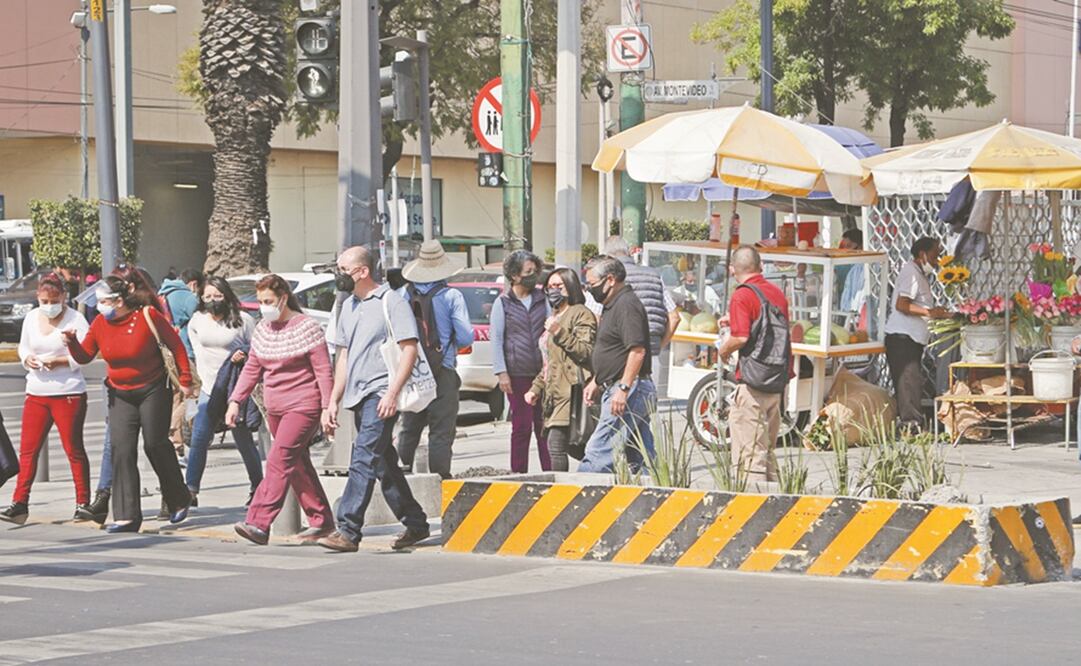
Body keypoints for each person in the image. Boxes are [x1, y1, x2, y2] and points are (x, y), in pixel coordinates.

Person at [317, 246, 431, 553]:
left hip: (380, 392)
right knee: (382, 462)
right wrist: (333, 400)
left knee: (363, 456)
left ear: (362, 271)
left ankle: (348, 529)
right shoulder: (347, 306)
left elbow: (409, 348)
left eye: (343, 269)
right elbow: (343, 356)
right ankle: (416, 522)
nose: (338, 275)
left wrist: (392, 393)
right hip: (357, 394)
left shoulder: (391, 301)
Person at [64, 274, 195, 534]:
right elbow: (85, 356)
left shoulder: (147, 316)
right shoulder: (100, 323)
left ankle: (179, 497)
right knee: (121, 449)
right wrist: (71, 343)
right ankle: (127, 516)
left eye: (104, 301)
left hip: (153, 388)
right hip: (120, 393)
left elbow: (176, 346)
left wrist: (186, 380)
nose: (99, 307)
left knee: (155, 444)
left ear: (119, 301)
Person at [229, 275, 334, 546]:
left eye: (269, 301)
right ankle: (322, 520)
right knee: (296, 464)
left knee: (279, 459)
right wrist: (235, 400)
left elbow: (323, 371)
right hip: (275, 407)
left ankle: (258, 522)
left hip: (303, 405)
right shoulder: (262, 330)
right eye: (261, 301)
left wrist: (327, 407)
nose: (264, 306)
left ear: (283, 298)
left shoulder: (307, 327)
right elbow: (252, 367)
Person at [0, 274, 94, 525]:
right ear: (37, 298)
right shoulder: (32, 317)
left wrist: (60, 361)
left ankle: (83, 503)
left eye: (54, 300)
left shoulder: (76, 319)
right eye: (44, 301)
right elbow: (23, 347)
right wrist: (27, 359)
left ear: (63, 297)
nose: (49, 306)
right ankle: (20, 503)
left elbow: (86, 355)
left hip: (68, 392)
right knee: (28, 451)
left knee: (73, 449)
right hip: (36, 392)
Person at [396, 241, 474, 479]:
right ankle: (439, 479)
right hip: (444, 369)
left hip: (411, 370)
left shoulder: (403, 295)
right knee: (441, 430)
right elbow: (465, 336)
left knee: (409, 427)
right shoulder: (451, 296)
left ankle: (402, 476)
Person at [717, 246, 793, 482]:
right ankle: (774, 498)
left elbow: (741, 337)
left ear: (732, 269)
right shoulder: (776, 293)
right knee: (767, 452)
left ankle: (752, 500)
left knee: (750, 457)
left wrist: (723, 350)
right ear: (760, 266)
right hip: (777, 381)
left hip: (752, 385)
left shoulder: (741, 295)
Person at [186, 276, 261, 507]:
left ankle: (257, 486)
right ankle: (191, 489)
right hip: (210, 387)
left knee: (243, 440)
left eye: (217, 296)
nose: (212, 300)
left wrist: (243, 354)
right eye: (207, 296)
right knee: (199, 438)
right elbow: (196, 349)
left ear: (226, 296)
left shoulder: (243, 320)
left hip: (235, 387)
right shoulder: (197, 320)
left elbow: (256, 348)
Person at [578, 255, 656, 473]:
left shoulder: (626, 305)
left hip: (629, 388)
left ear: (610, 280)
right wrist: (597, 380)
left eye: (592, 284)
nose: (589, 289)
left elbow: (637, 351)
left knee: (598, 452)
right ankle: (652, 489)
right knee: (640, 456)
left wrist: (623, 389)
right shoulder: (612, 305)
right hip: (622, 385)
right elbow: (615, 350)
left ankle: (582, 490)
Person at [524, 268, 596, 472]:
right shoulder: (555, 315)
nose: (553, 291)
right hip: (553, 393)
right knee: (575, 447)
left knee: (556, 444)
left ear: (570, 286)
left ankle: (559, 487)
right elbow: (550, 361)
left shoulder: (580, 313)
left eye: (558, 286)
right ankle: (605, 470)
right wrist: (536, 388)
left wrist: (559, 332)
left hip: (571, 392)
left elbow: (586, 351)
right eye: (550, 287)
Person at [490, 250, 550, 473]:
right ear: (514, 275)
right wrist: (501, 372)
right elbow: (497, 339)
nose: (533, 275)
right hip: (516, 374)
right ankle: (518, 473)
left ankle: (550, 472)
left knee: (544, 427)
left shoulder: (543, 299)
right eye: (528, 271)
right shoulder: (503, 303)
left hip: (543, 373)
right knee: (522, 427)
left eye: (535, 270)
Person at [885, 236, 951, 430]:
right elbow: (902, 304)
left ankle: (913, 424)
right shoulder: (911, 272)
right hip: (902, 337)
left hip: (912, 338)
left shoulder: (919, 274)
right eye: (934, 256)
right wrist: (929, 313)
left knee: (912, 383)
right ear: (923, 254)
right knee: (908, 384)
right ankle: (911, 425)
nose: (937, 261)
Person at [604, 236, 679, 396]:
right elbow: (674, 317)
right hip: (651, 355)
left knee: (617, 405)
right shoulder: (654, 276)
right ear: (628, 252)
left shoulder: (610, 278)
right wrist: (658, 345)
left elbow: (596, 315)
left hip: (619, 355)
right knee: (647, 405)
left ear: (608, 257)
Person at [160, 268, 203, 458]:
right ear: (194, 284)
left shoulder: (163, 294)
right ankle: (174, 425)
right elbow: (200, 320)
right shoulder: (187, 296)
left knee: (176, 396)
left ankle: (176, 442)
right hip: (186, 349)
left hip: (168, 352)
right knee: (194, 391)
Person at [838, 229, 866, 312]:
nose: (846, 250)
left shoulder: (862, 269)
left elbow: (859, 299)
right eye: (844, 246)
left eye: (849, 246)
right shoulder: (852, 268)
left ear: (861, 246)